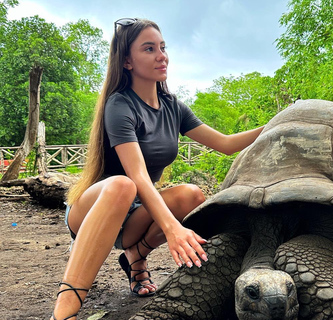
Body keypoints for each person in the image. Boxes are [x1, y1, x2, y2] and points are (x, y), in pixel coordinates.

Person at [50, 18, 264, 320]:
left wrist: (281, 120)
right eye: (149, 49)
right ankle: (64, 311)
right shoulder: (119, 104)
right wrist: (172, 228)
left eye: (162, 47)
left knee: (192, 195)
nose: (161, 55)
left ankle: (136, 258)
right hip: (94, 208)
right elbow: (136, 176)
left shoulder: (173, 106)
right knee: (123, 185)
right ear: (126, 61)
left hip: (134, 217)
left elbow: (227, 143)